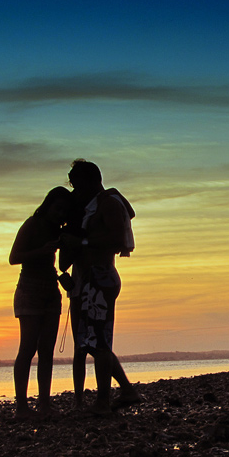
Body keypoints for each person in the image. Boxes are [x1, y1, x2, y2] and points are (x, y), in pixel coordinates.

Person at [59, 160, 140, 414]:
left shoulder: (108, 203)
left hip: (100, 278)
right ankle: (125, 391)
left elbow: (116, 239)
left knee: (99, 343)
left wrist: (80, 241)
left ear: (91, 180)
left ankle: (103, 402)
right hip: (87, 279)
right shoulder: (91, 206)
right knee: (88, 342)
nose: (74, 189)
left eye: (77, 183)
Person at [9, 186, 71, 419]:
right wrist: (42, 250)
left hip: (50, 290)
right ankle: (21, 407)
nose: (60, 214)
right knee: (28, 348)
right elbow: (14, 258)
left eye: (64, 211)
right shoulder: (32, 224)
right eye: (57, 208)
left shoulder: (58, 229)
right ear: (48, 205)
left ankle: (44, 404)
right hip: (30, 289)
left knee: (46, 350)